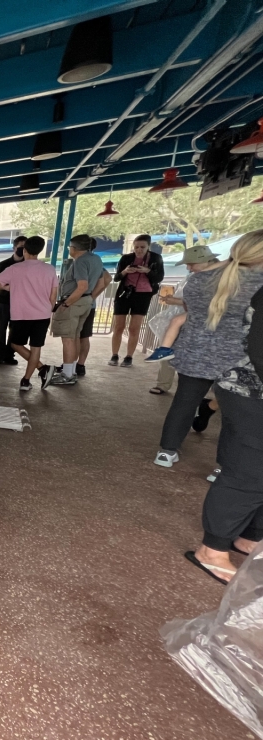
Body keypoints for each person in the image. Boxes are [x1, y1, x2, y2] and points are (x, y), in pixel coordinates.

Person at [185, 232, 263, 584]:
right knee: (249, 470)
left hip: (224, 374)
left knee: (246, 463)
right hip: (248, 385)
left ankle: (249, 535)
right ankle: (213, 549)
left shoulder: (206, 280)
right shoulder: (254, 285)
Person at [155, 237, 263, 467]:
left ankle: (166, 451)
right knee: (235, 413)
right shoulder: (258, 284)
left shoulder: (198, 280)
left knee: (184, 402)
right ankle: (224, 466)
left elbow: (189, 311)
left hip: (196, 351)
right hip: (239, 357)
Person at [0, 236, 56, 391]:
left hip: (21, 314)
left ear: (24, 250)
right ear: (40, 251)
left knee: (15, 344)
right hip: (42, 314)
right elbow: (53, 295)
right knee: (36, 348)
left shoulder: (15, 269)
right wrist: (49, 309)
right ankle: (31, 377)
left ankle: (39, 372)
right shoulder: (50, 269)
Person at [48, 234, 105, 386]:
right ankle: (71, 370)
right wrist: (89, 298)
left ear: (75, 248)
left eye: (69, 247)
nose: (69, 250)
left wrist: (66, 304)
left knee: (68, 339)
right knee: (74, 337)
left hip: (74, 302)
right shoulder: (96, 259)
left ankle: (67, 375)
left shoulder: (80, 261)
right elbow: (104, 281)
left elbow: (82, 286)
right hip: (85, 302)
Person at [109, 234, 165, 367]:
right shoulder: (126, 258)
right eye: (136, 247)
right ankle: (114, 355)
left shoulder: (156, 258)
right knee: (118, 327)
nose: (139, 250)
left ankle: (129, 357)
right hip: (124, 294)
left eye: (142, 247)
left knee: (134, 328)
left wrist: (147, 271)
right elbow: (116, 278)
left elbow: (159, 278)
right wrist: (125, 272)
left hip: (143, 296)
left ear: (148, 247)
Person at [0, 236, 27, 365]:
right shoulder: (4, 264)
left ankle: (9, 354)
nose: (23, 250)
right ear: (14, 248)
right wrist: (7, 288)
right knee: (1, 328)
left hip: (20, 303)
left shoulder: (28, 266)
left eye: (25, 248)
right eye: (20, 247)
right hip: (3, 302)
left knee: (15, 329)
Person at [76, 267, 112, 376]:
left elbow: (108, 279)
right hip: (87, 304)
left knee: (76, 336)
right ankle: (80, 365)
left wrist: (92, 296)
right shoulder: (95, 263)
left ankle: (73, 364)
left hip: (79, 303)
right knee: (83, 336)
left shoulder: (88, 262)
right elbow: (107, 279)